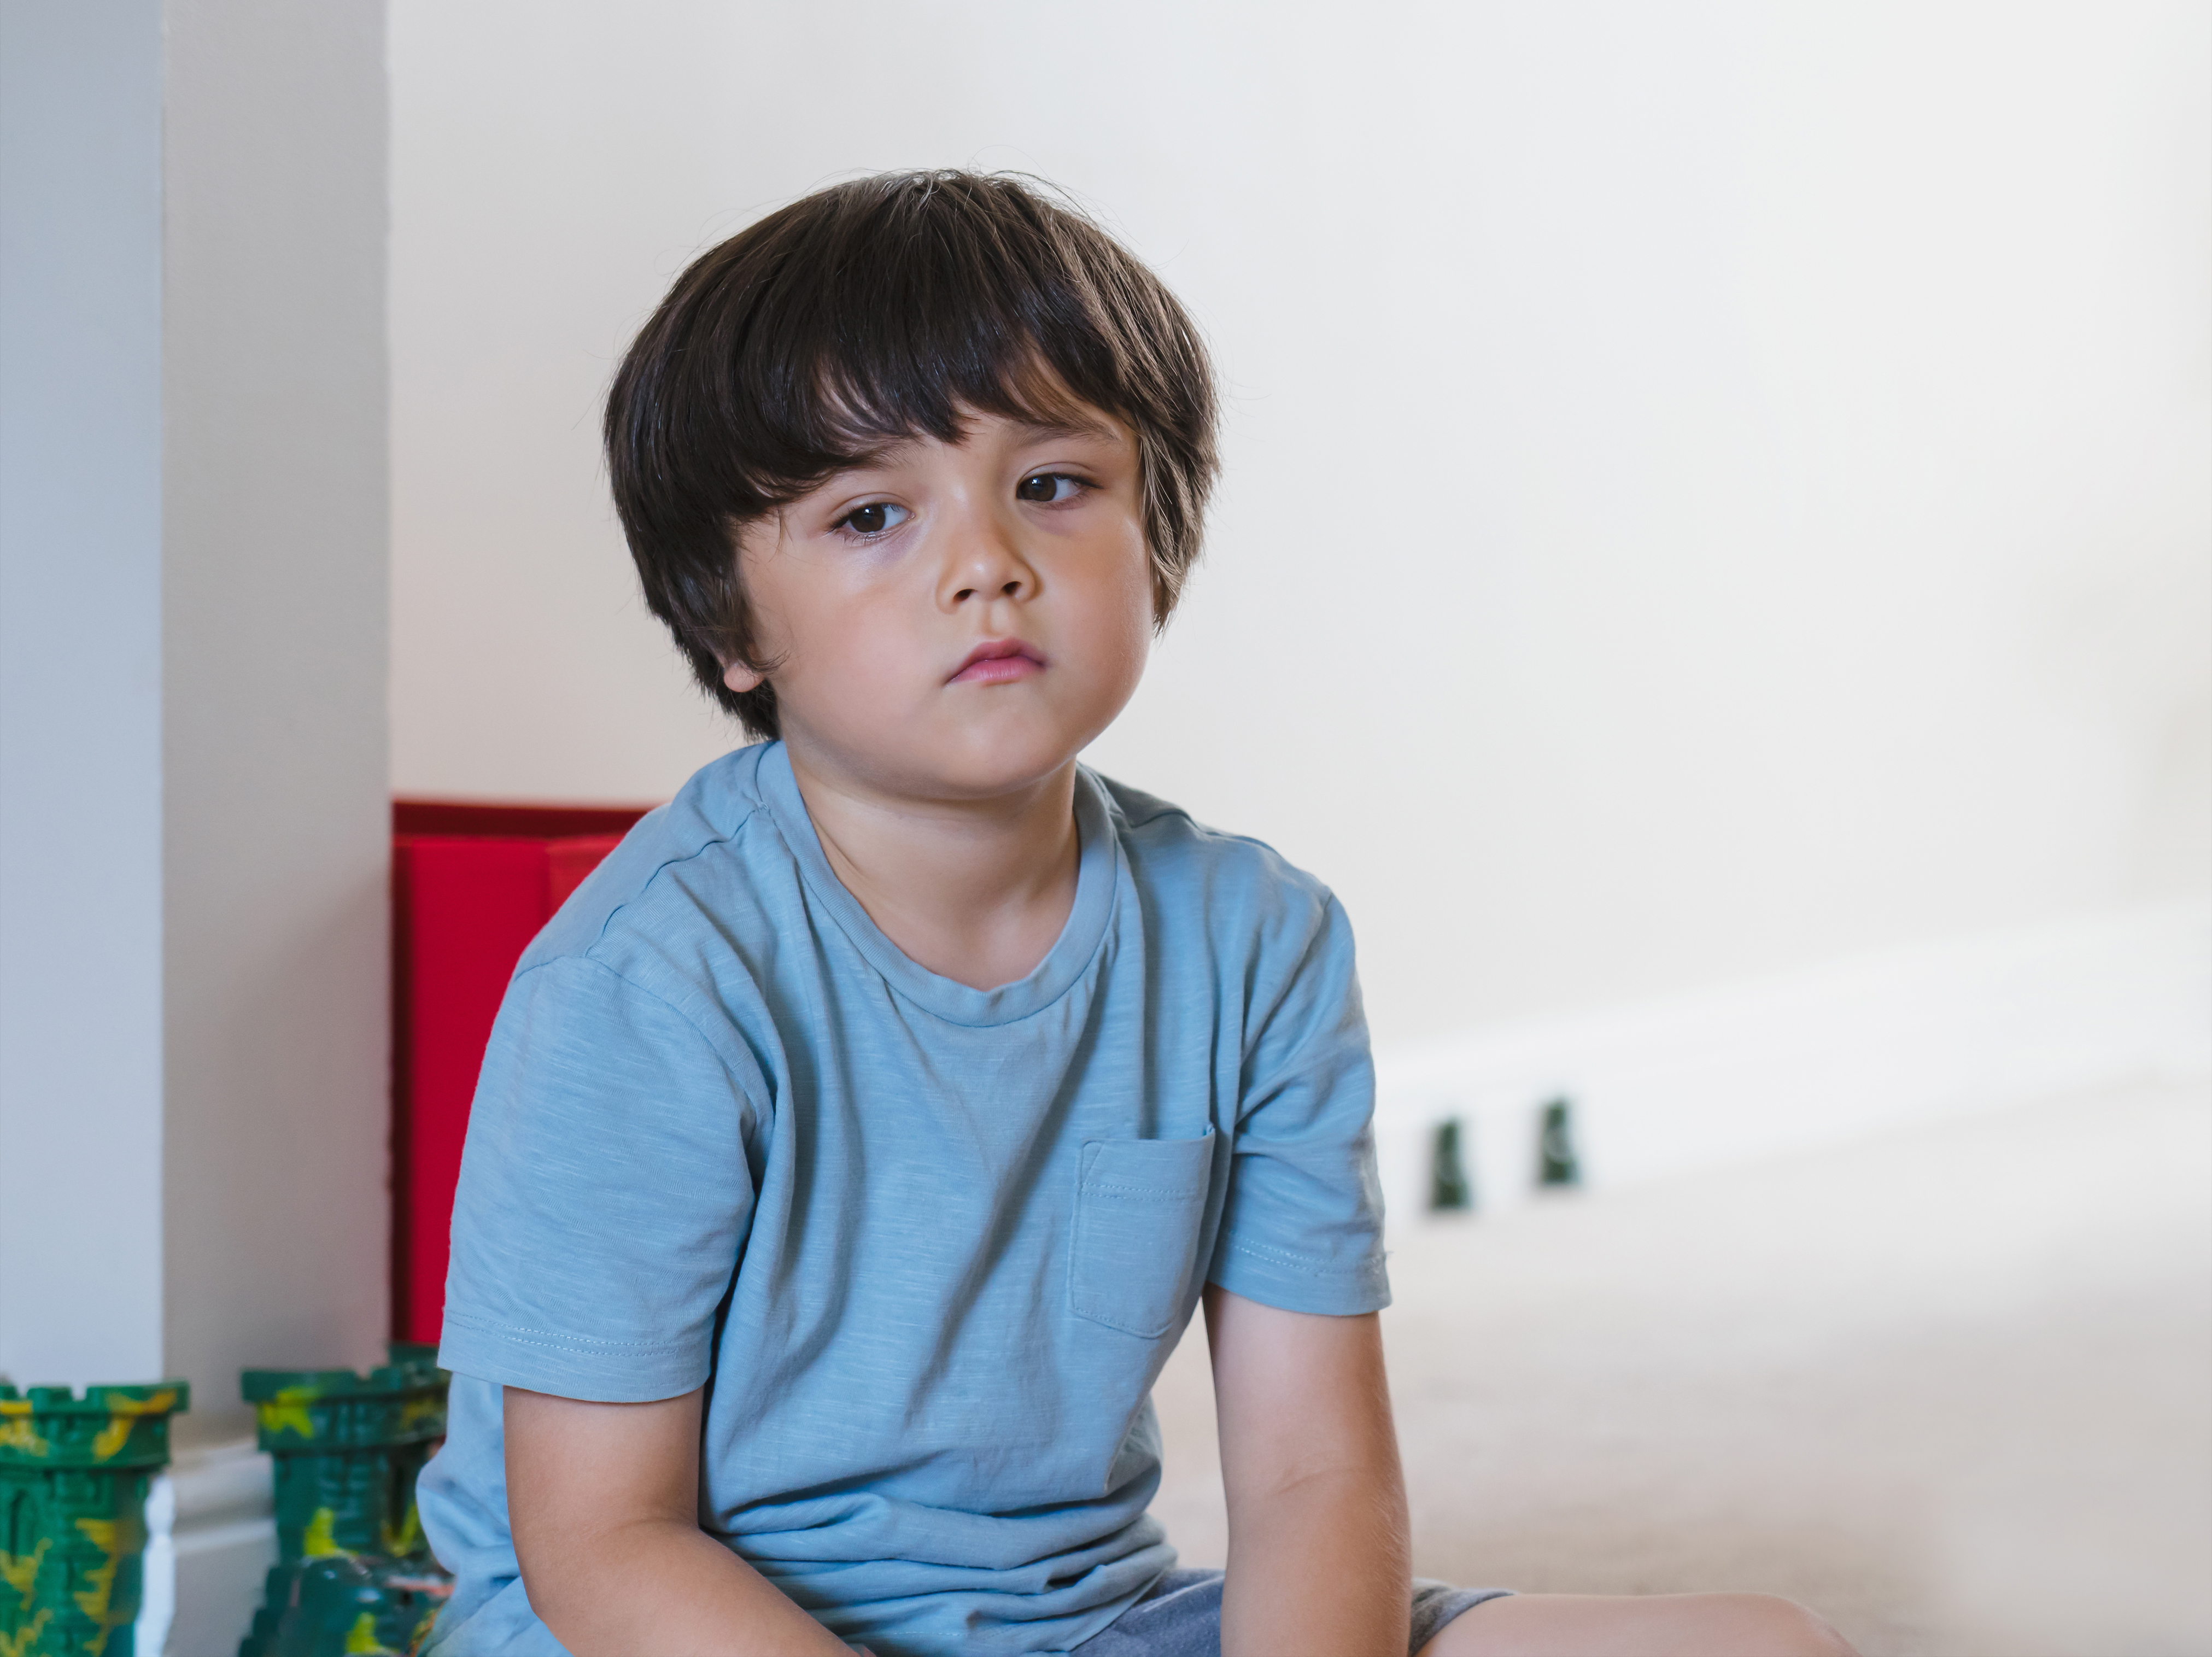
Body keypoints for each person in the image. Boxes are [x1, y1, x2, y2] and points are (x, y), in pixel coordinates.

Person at [415, 170, 1854, 1657]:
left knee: (1771, 1647)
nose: (987, 565)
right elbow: (604, 1541)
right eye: (871, 515)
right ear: (728, 623)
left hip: (1078, 1625)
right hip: (667, 1638)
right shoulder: (649, 980)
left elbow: (1309, 1477)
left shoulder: (1257, 942)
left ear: (1156, 534)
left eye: (1050, 485)